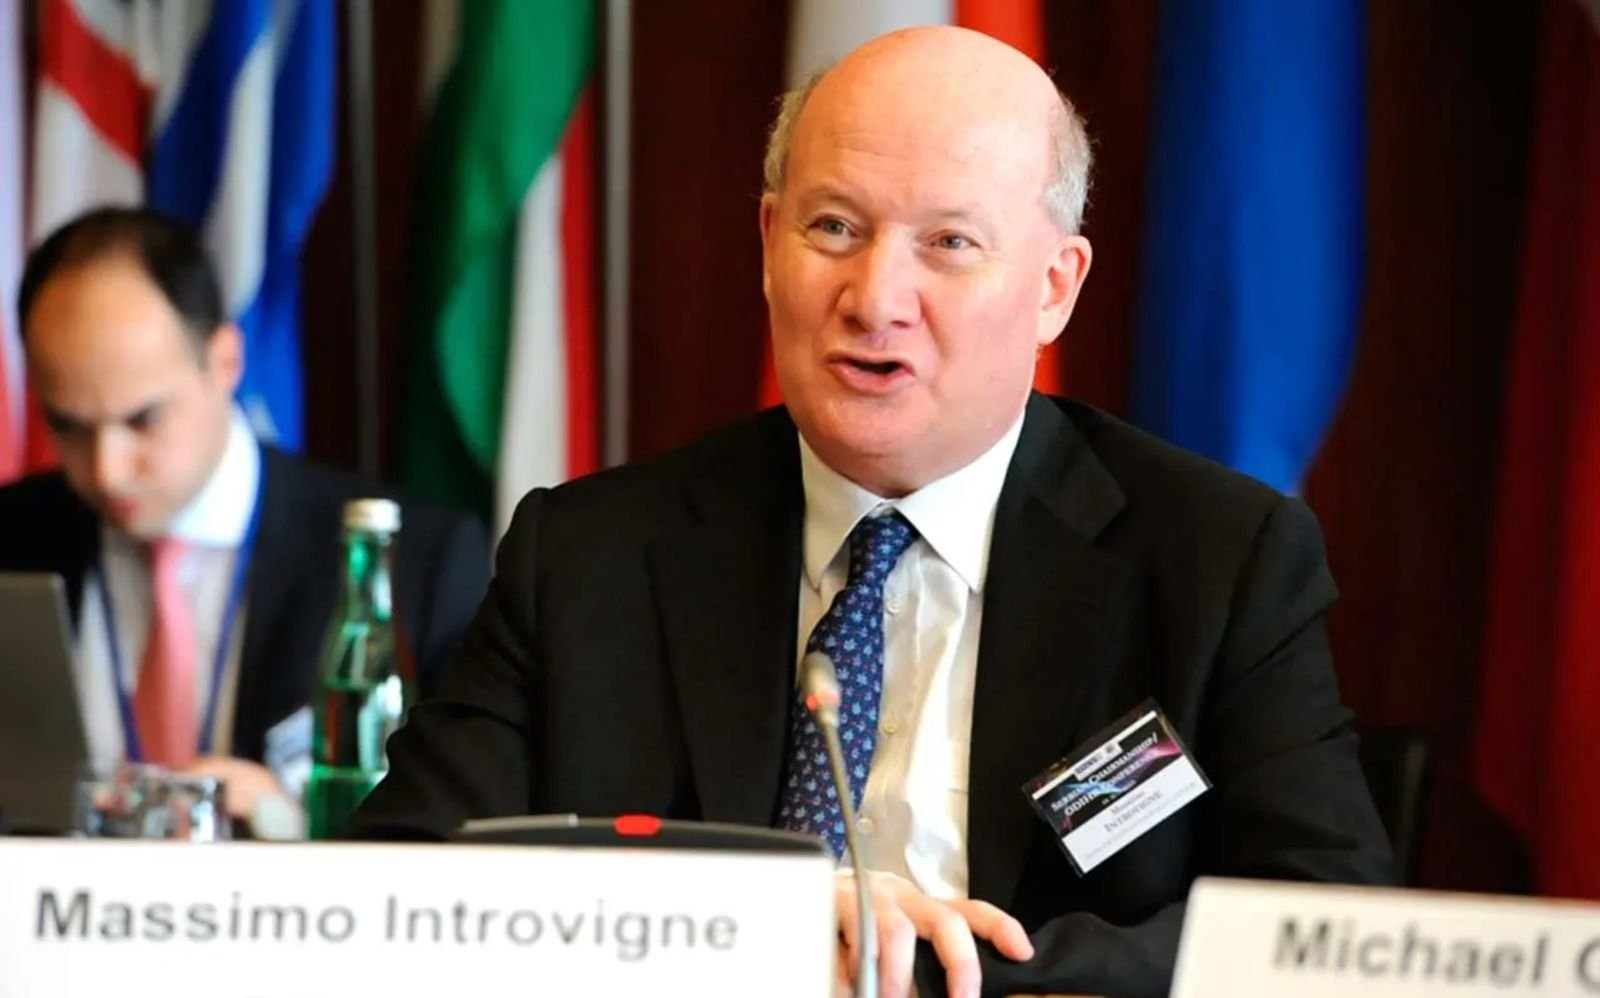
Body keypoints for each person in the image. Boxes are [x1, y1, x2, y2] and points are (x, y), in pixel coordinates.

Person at [350, 26, 1393, 997]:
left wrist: (931, 964)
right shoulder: (591, 556)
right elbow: (395, 893)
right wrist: (760, 930)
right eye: (834, 227)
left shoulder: (1218, 560)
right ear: (770, 242)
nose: (875, 297)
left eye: (948, 242)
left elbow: (1321, 934)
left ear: (1054, 288)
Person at [0, 206, 489, 837]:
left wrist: (298, 824)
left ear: (224, 361)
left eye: (143, 419)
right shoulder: (13, 536)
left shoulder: (418, 561)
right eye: (68, 427)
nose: (107, 469)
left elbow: (461, 827)